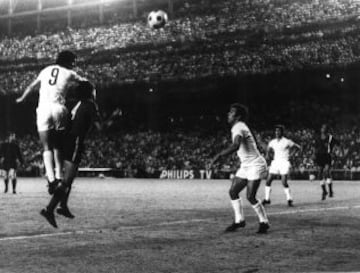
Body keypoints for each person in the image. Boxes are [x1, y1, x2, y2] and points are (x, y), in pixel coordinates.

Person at [16, 51, 85, 193]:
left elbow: (31, 86)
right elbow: (85, 82)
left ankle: (51, 179)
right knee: (58, 145)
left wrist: (22, 98)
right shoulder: (69, 72)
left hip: (43, 109)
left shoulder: (45, 70)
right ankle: (59, 177)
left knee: (46, 147)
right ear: (67, 61)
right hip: (59, 108)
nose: (73, 64)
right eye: (72, 61)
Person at [40, 81, 101, 228]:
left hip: (65, 140)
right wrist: (114, 118)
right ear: (90, 92)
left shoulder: (75, 103)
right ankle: (49, 209)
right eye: (93, 90)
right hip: (75, 142)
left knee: (70, 178)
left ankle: (63, 206)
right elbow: (100, 127)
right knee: (67, 180)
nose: (95, 93)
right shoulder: (91, 104)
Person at [209, 103, 270, 234]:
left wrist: (219, 155)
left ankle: (264, 222)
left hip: (255, 164)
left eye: (231, 112)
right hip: (246, 165)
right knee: (233, 191)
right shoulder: (238, 127)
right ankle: (239, 221)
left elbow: (236, 145)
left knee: (250, 196)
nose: (228, 114)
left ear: (238, 116)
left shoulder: (238, 126)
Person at [262, 125, 301, 207]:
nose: (277, 132)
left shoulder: (287, 141)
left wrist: (292, 155)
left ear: (282, 132)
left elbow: (298, 147)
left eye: (279, 131)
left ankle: (289, 199)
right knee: (268, 180)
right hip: (275, 162)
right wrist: (268, 155)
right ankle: (267, 199)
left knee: (284, 181)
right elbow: (268, 149)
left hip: (284, 162)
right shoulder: (273, 142)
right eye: (276, 131)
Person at [314, 124, 339, 200]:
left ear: (327, 129)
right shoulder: (318, 137)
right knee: (320, 174)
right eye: (322, 127)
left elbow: (337, 144)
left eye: (325, 128)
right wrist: (314, 155)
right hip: (319, 156)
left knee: (327, 172)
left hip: (327, 156)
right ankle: (324, 191)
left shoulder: (330, 137)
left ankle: (330, 190)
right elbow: (315, 147)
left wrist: (334, 151)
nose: (323, 129)